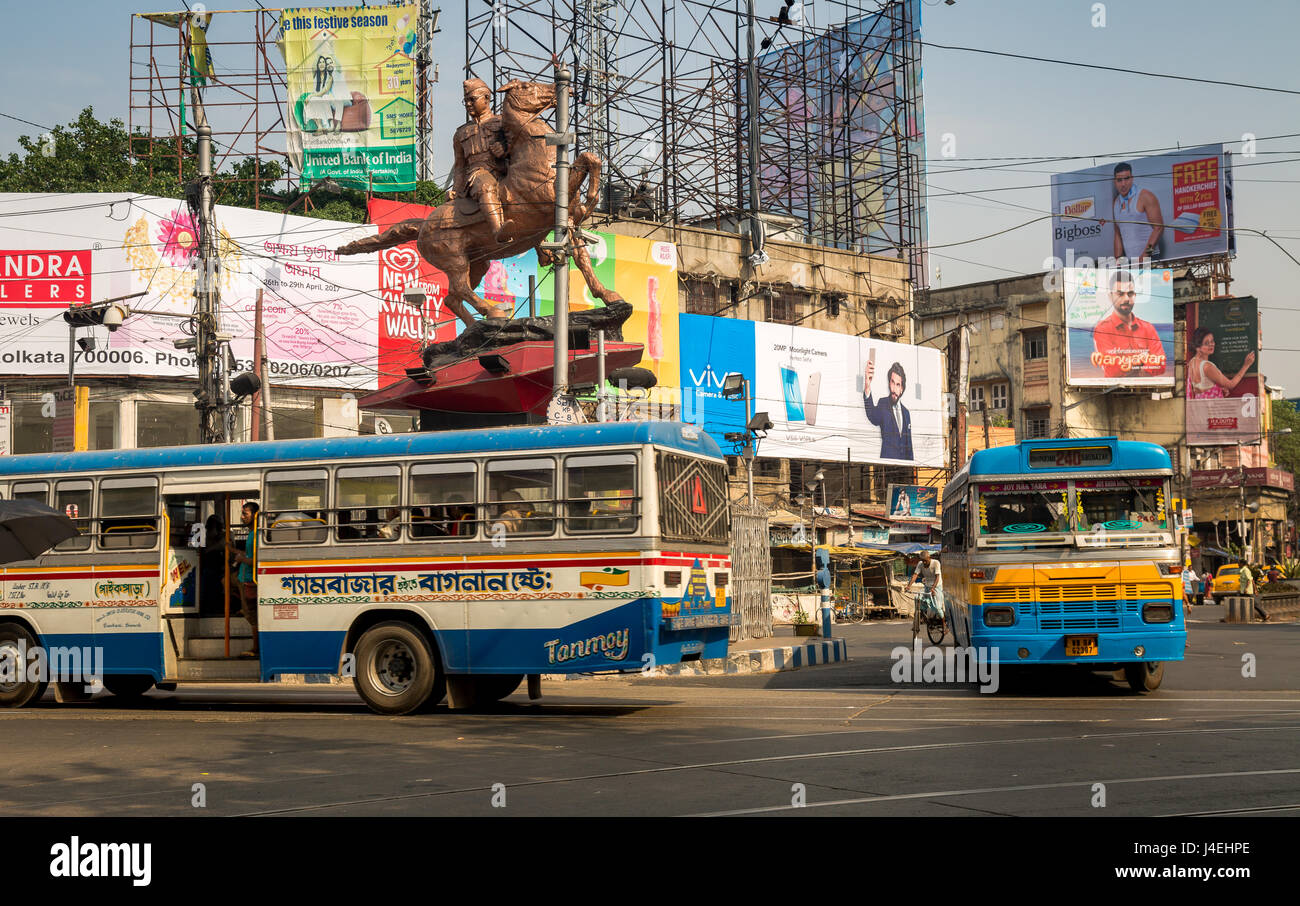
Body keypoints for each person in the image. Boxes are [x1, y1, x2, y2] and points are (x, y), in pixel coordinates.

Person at [451, 78, 513, 243]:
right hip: (477, 175)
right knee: (485, 185)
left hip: (505, 171)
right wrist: (455, 190)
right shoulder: (460, 133)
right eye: (466, 101)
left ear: (486, 98)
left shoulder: (503, 123)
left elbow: (520, 147)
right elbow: (459, 167)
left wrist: (506, 148)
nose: (468, 104)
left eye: (472, 99)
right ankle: (498, 230)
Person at [1090, 270, 1167, 378]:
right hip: (1115, 392)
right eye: (1120, 294)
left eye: (1130, 294)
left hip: (1147, 390)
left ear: (1135, 295)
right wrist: (1143, 360)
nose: (1126, 299)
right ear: (1110, 296)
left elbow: (1161, 365)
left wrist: (1127, 364)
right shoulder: (1103, 329)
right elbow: (1113, 371)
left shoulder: (1148, 328)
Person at [1111, 162, 1164, 262]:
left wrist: (1145, 256)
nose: (1123, 184)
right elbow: (1117, 233)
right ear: (1115, 182)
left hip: (1150, 258)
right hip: (1131, 261)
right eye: (1119, 180)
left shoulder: (1145, 196)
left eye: (1126, 179)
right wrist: (1118, 260)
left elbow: (1159, 228)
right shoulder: (1116, 203)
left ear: (1132, 178)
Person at [862, 360, 913, 461]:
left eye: (898, 385)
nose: (894, 389)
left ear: (902, 388)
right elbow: (872, 415)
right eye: (892, 382)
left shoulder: (906, 413)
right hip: (887, 466)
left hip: (904, 469)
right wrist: (867, 385)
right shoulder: (883, 403)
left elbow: (909, 446)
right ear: (889, 383)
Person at [1187, 328, 1255, 399]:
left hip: (1199, 406)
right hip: (1211, 408)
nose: (1211, 344)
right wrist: (1246, 365)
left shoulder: (1192, 362)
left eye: (1212, 341)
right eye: (1206, 343)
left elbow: (1200, 388)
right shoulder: (1207, 366)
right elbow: (1231, 384)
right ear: (1198, 347)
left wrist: (1218, 388)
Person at [231, 501, 261, 658]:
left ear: (255, 515)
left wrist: (241, 559)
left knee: (252, 616)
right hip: (243, 577)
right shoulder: (251, 533)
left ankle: (256, 649)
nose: (242, 517)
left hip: (249, 579)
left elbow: (255, 560)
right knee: (227, 581)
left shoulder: (256, 534)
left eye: (245, 514)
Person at [908, 550, 943, 639]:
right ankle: (920, 616)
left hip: (937, 586)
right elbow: (915, 575)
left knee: (937, 607)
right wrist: (908, 586)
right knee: (918, 598)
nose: (924, 562)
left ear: (929, 558)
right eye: (922, 561)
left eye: (925, 561)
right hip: (927, 585)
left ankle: (944, 625)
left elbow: (937, 577)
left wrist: (933, 588)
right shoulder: (920, 564)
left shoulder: (936, 563)